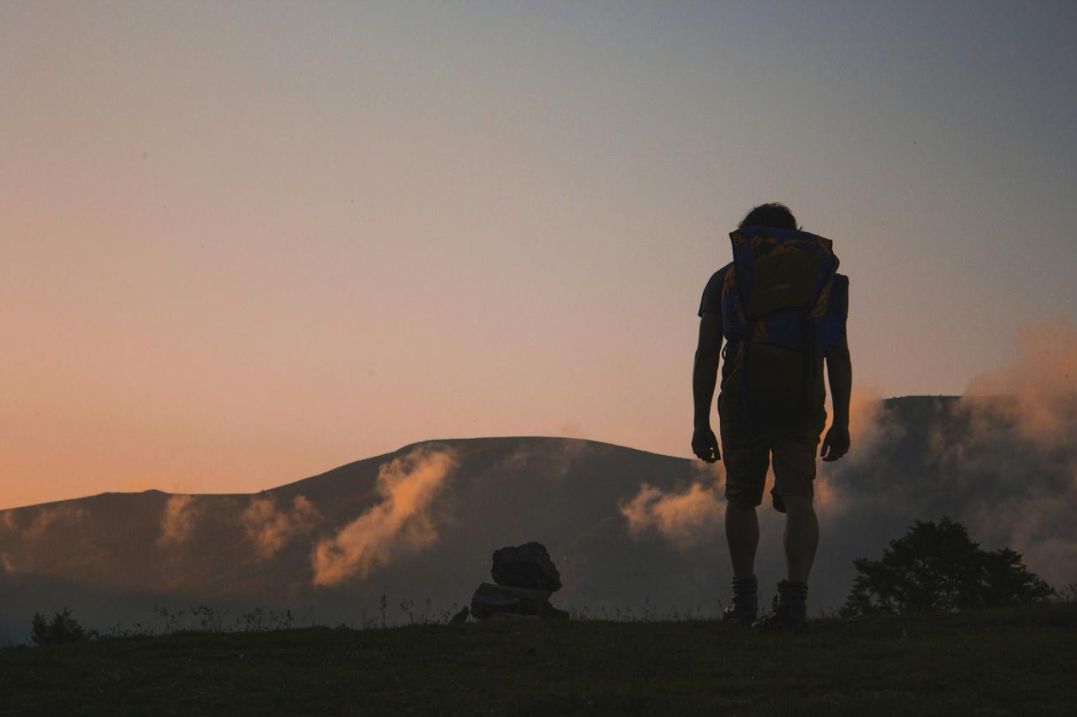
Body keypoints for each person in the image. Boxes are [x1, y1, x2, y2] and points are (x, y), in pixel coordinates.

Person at [691, 203, 851, 630]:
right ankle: (794, 605)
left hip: (745, 396)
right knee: (800, 498)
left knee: (742, 497)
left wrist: (700, 420)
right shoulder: (821, 280)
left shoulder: (726, 279)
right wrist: (842, 419)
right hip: (803, 394)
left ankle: (744, 604)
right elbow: (837, 353)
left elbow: (707, 354)